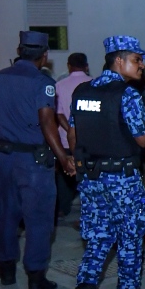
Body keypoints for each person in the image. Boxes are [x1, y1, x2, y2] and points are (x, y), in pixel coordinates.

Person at [65, 35, 145, 289]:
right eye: (136, 59)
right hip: (122, 179)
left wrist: (79, 163)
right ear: (119, 60)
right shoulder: (127, 95)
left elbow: (73, 134)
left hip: (91, 178)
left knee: (98, 238)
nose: (141, 65)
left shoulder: (82, 91)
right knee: (131, 237)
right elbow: (143, 140)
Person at [0, 31, 75, 289]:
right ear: (44, 56)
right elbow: (47, 122)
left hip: (3, 158)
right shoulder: (42, 82)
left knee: (6, 215)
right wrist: (63, 157)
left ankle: (6, 270)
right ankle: (36, 280)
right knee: (39, 220)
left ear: (19, 50)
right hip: (33, 162)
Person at [53, 52, 93, 218]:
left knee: (65, 175)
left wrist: (71, 129)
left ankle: (63, 207)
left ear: (69, 66)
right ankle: (88, 211)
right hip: (89, 139)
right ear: (86, 66)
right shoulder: (94, 84)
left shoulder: (59, 85)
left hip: (65, 139)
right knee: (90, 175)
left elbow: (58, 114)